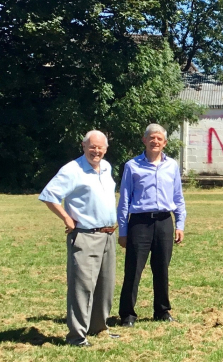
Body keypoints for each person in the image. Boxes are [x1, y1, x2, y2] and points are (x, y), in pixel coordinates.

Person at [39, 130, 119, 347]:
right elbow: (49, 195)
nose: (96, 151)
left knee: (105, 286)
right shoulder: (72, 169)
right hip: (85, 236)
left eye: (100, 147)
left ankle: (99, 328)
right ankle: (77, 336)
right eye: (92, 146)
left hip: (108, 234)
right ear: (83, 146)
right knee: (82, 287)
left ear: (106, 148)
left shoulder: (106, 167)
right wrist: (66, 218)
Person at [117, 123, 187, 327]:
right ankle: (128, 314)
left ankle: (162, 310)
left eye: (159, 138)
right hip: (140, 222)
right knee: (133, 269)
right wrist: (123, 231)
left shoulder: (172, 166)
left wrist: (179, 224)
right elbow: (124, 200)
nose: (155, 141)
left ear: (164, 143)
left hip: (165, 221)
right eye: (151, 138)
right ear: (144, 140)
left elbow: (178, 197)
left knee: (162, 268)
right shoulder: (132, 166)